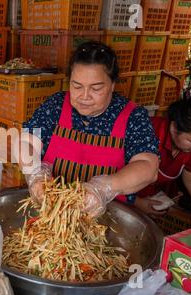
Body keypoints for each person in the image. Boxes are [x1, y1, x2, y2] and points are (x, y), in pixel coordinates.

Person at [13, 42, 160, 218]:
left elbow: (148, 167)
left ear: (113, 84)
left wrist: (103, 187)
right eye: (77, 86)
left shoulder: (133, 116)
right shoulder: (56, 105)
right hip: (51, 213)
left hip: (109, 220)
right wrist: (35, 174)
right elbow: (26, 141)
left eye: (96, 88)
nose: (84, 96)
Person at [134, 97, 191, 215]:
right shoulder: (145, 132)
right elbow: (110, 171)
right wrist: (135, 202)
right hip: (115, 197)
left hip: (149, 198)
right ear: (174, 127)